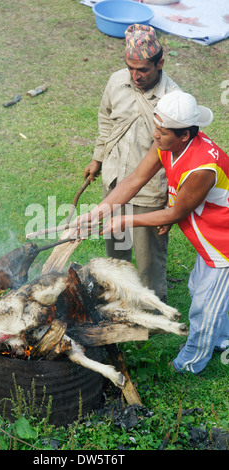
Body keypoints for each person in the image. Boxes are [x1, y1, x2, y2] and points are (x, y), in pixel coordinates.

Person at [78, 90, 229, 374]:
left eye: (162, 131)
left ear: (184, 135)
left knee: (205, 307)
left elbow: (176, 212)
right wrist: (98, 212)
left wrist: (125, 222)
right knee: (199, 288)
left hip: (223, 244)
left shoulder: (203, 167)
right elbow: (135, 179)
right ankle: (223, 338)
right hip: (206, 237)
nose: (155, 134)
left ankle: (189, 365)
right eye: (156, 127)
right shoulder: (167, 143)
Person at [84, 24, 179, 302]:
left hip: (150, 191)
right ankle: (117, 297)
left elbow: (178, 156)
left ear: (160, 63)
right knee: (115, 248)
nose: (136, 76)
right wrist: (98, 156)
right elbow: (106, 118)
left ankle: (152, 311)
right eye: (131, 68)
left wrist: (172, 205)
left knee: (148, 258)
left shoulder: (173, 100)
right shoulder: (116, 81)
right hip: (114, 179)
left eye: (143, 70)